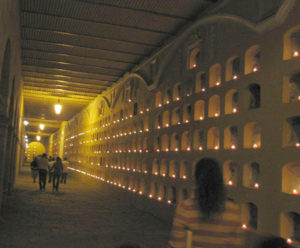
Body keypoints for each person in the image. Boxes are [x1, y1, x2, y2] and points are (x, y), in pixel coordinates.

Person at [168, 158, 244, 248]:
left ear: (196, 179)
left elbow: (176, 244)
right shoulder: (234, 210)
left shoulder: (186, 208)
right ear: (220, 179)